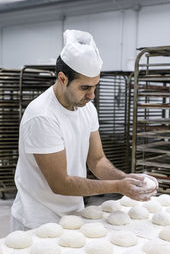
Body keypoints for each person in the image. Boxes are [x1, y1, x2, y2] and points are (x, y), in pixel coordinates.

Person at [11, 29, 158, 231]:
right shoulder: (42, 116)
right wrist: (117, 187)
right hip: (38, 220)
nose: (92, 95)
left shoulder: (86, 108)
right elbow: (60, 183)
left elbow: (97, 160)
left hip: (74, 214)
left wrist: (125, 179)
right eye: (85, 88)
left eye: (95, 86)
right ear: (62, 79)